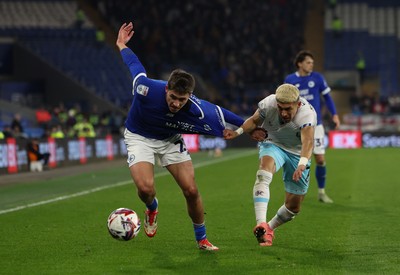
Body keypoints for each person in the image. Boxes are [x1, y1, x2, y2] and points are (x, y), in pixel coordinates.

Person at [116, 22, 245, 251]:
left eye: (182, 100)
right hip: (139, 137)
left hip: (170, 139)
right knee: (146, 189)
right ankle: (152, 207)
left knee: (191, 190)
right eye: (173, 97)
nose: (176, 104)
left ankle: (202, 239)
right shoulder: (145, 88)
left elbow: (220, 112)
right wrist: (121, 45)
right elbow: (135, 65)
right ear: (167, 89)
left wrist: (247, 126)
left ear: (190, 96)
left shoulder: (194, 106)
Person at [224, 84, 317, 246]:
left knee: (294, 207)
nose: (283, 113)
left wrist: (302, 164)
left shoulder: (307, 114)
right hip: (273, 143)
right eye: (280, 108)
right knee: (263, 173)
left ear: (298, 104)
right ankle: (260, 222)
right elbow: (253, 121)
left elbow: (308, 142)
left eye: (288, 109)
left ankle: (269, 228)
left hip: (298, 153)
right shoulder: (268, 103)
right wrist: (238, 132)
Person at [284, 50, 340, 203]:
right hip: (295, 126)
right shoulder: (289, 79)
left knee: (320, 159)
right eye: (308, 62)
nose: (311, 65)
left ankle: (321, 192)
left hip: (316, 125)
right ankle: (295, 192)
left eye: (312, 63)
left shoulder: (317, 78)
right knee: (295, 160)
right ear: (299, 63)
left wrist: (334, 114)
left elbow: (327, 97)